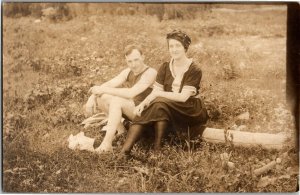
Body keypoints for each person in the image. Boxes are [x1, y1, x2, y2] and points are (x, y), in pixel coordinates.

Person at [120, 30, 208, 156]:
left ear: (185, 47)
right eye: (171, 46)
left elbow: (183, 97)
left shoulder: (194, 69)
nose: (174, 49)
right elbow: (156, 92)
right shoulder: (165, 67)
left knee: (159, 102)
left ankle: (127, 150)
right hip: (167, 106)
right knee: (158, 104)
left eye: (178, 46)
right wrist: (144, 104)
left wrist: (157, 96)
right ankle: (151, 149)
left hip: (189, 109)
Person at [84, 45, 157, 153]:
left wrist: (102, 90)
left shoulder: (151, 72)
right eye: (130, 61)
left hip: (147, 112)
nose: (133, 64)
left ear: (143, 57)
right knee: (102, 97)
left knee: (116, 100)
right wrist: (93, 96)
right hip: (134, 109)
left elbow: (131, 93)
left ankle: (106, 144)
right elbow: (109, 84)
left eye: (136, 60)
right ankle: (121, 132)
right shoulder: (128, 71)